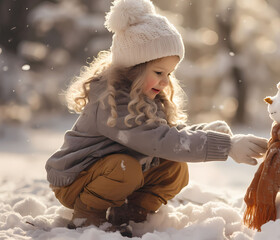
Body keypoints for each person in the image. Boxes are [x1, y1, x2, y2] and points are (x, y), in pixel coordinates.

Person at [45, 0, 267, 236]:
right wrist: (226, 147)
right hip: (76, 181)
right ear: (133, 68)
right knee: (126, 167)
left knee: (174, 166)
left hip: (108, 173)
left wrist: (205, 132)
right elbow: (158, 140)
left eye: (169, 73)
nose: (165, 81)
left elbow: (166, 133)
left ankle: (132, 212)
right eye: (159, 72)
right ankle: (88, 217)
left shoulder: (144, 97)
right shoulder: (111, 103)